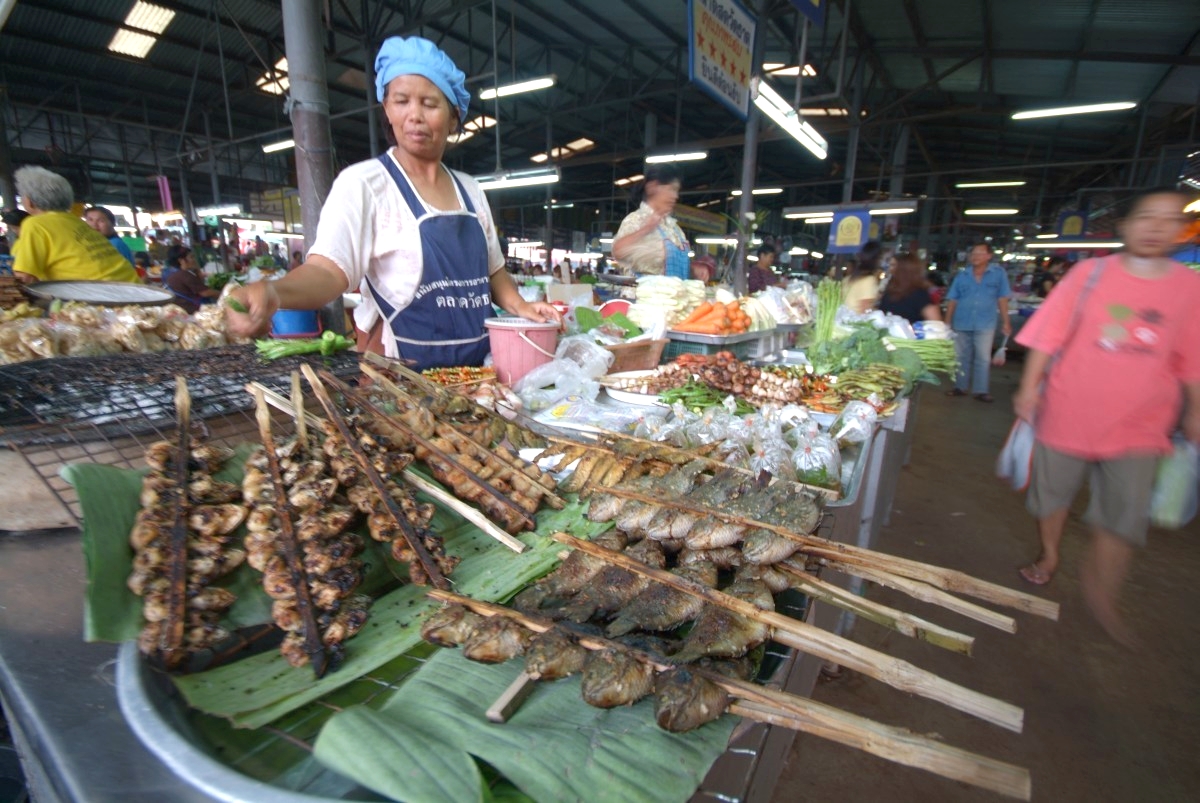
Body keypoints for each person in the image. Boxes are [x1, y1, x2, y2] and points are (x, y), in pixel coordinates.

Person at [225, 36, 558, 368]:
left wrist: (520, 307)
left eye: (429, 104)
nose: (414, 115)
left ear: (454, 116)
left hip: (478, 375)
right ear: (386, 107)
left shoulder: (471, 190)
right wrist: (275, 292)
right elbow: (328, 271)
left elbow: (493, 271)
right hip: (400, 378)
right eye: (401, 101)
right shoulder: (365, 185)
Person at [1012, 188, 1200, 646]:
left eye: (1168, 219)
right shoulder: (1088, 275)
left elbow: (1192, 357)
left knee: (1123, 517)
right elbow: (1048, 336)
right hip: (1068, 410)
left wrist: (1195, 411)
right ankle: (1050, 555)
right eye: (1146, 217)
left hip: (1143, 424)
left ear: (1182, 231)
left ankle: (1103, 593)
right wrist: (1027, 387)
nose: (1156, 227)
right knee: (1051, 497)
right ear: (1125, 225)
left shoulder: (1189, 288)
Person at [9, 166, 138, 284]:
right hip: (135, 292)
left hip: (102, 301)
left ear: (29, 202)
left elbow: (24, 277)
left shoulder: (35, 224)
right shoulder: (76, 222)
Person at [944, 242, 1011, 402]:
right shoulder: (962, 276)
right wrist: (946, 322)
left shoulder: (998, 274)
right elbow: (952, 300)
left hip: (985, 323)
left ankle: (981, 391)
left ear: (989, 256)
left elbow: (1002, 299)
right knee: (961, 357)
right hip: (961, 321)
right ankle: (960, 387)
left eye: (980, 253)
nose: (975, 257)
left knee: (983, 358)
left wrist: (1006, 322)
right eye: (973, 253)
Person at [612, 163, 690, 278]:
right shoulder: (636, 220)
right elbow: (617, 252)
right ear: (652, 187)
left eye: (677, 191)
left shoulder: (675, 229)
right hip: (642, 294)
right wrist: (647, 228)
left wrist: (695, 269)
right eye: (671, 189)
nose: (676, 196)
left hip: (672, 294)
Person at [877, 253, 942, 324]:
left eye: (894, 265)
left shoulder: (919, 295)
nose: (890, 269)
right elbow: (937, 324)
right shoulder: (890, 291)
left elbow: (936, 323)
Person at [164, 247, 219, 313]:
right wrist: (224, 294)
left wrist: (197, 270)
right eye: (191, 257)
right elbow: (206, 293)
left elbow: (199, 285)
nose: (194, 260)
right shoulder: (184, 275)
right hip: (190, 311)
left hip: (180, 308)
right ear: (181, 260)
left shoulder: (169, 272)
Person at [843, 240, 883, 314]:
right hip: (854, 323)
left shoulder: (849, 278)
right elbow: (865, 311)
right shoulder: (869, 280)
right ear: (876, 259)